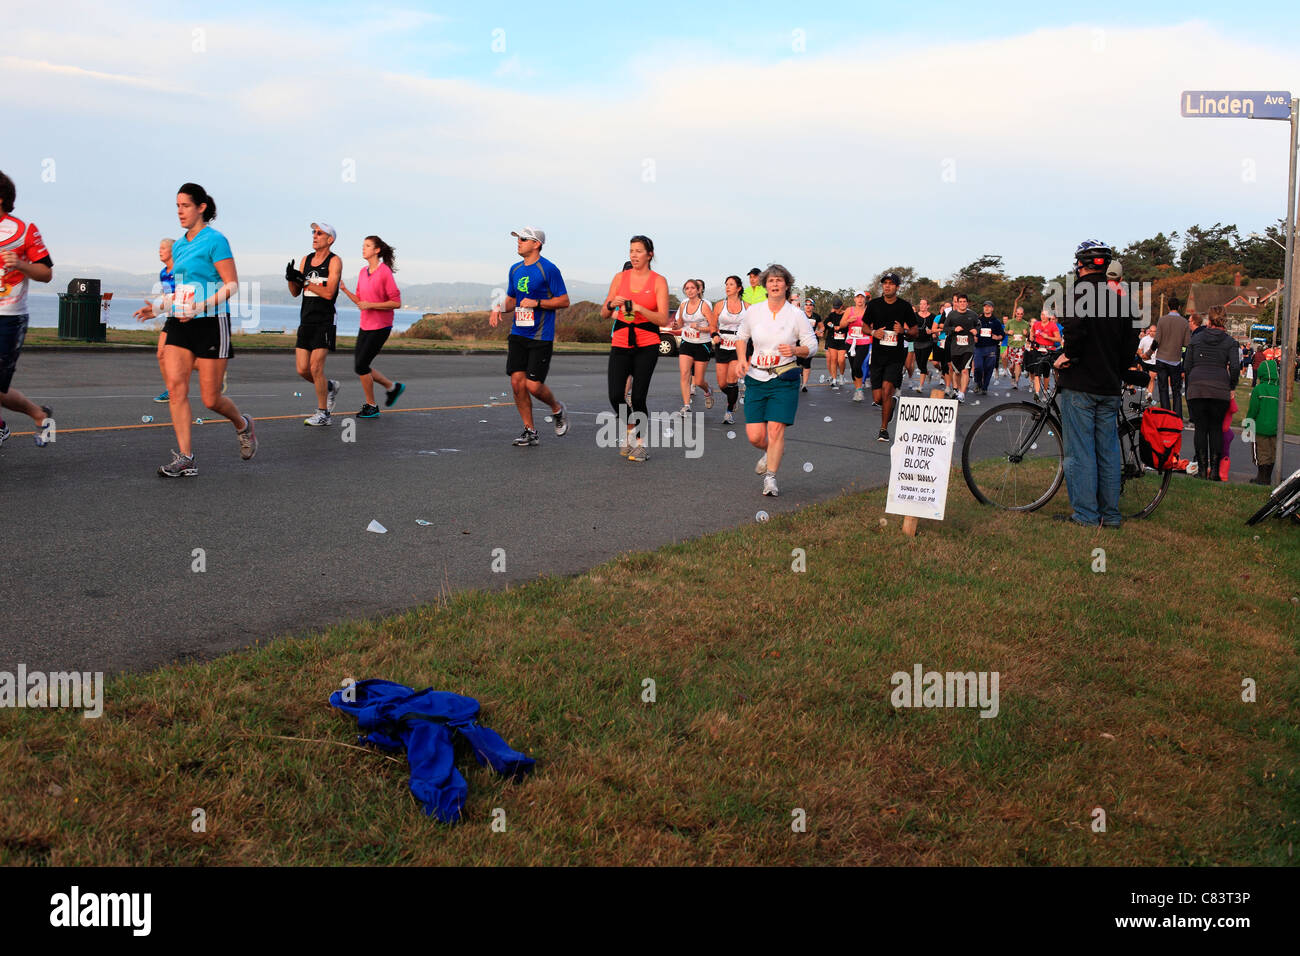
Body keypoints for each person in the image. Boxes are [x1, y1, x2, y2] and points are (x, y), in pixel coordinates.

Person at [132, 182, 257, 476]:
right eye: (177, 206)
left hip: (212, 322)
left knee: (211, 399)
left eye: (185, 205)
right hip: (180, 320)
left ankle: (243, 424)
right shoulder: (178, 245)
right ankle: (186, 457)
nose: (180, 211)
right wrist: (158, 308)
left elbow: (232, 285)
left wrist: (201, 306)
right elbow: (180, 288)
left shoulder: (216, 240)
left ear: (201, 207)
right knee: (176, 388)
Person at [1052, 240, 1137, 527]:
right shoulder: (1121, 301)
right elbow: (1130, 347)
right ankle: (1110, 515)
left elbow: (1074, 328)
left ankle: (1086, 515)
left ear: (1080, 265)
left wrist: (1068, 355)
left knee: (1080, 452)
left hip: (1081, 384)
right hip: (1110, 386)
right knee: (1109, 452)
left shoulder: (1080, 293)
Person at [735, 264, 817, 496]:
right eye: (771, 281)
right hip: (756, 377)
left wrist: (795, 350)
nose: (774, 284)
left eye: (779, 281)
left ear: (787, 284)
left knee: (776, 428)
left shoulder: (796, 314)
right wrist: (742, 359)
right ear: (765, 285)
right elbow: (742, 337)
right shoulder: (754, 311)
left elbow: (811, 346)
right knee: (755, 436)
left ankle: (770, 478)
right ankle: (773, 451)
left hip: (783, 377)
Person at [488, 227, 570, 446]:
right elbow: (513, 299)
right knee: (517, 383)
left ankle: (557, 409)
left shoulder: (548, 269)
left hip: (540, 335)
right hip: (518, 332)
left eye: (523, 239)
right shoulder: (515, 269)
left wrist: (538, 303)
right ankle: (530, 430)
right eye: (518, 239)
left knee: (533, 386)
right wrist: (497, 308)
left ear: (536, 244)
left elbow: (563, 301)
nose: (519, 242)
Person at [0, 170, 55, 448]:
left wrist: (20, 264)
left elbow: (46, 273)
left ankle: (35, 415)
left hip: (8, 318)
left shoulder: (23, 231)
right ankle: (38, 414)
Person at [602, 235, 667, 461]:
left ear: (649, 254)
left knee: (638, 397)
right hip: (621, 339)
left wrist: (640, 308)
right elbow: (603, 312)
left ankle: (640, 444)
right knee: (615, 395)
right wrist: (613, 304)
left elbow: (662, 319)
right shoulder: (620, 277)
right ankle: (631, 429)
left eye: (639, 251)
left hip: (647, 341)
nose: (634, 254)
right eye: (631, 250)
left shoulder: (658, 281)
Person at [338, 235, 404, 418]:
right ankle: (393, 387)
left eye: (367, 246)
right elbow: (361, 302)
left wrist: (371, 305)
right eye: (363, 245)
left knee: (361, 365)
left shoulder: (384, 272)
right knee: (361, 366)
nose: (363, 248)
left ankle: (372, 405)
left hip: (381, 326)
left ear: (377, 250)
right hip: (365, 324)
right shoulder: (362, 272)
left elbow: (396, 303)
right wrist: (344, 290)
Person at [287, 222, 342, 426]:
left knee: (316, 367)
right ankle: (329, 386)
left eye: (320, 233)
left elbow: (329, 293)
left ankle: (323, 413)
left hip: (325, 319)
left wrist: (307, 281)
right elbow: (295, 292)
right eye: (313, 232)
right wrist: (291, 279)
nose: (315, 235)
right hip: (306, 318)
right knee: (303, 369)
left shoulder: (334, 261)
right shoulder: (306, 259)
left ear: (330, 239)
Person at [1184, 305, 1240, 482]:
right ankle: (1214, 471)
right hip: (1219, 387)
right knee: (1216, 428)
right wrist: (1232, 386)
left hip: (1197, 386)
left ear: (1208, 319)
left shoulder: (1196, 339)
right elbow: (1236, 367)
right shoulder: (1230, 342)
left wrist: (1189, 386)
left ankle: (1201, 469)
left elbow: (1187, 365)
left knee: (1200, 428)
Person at [866, 273, 917, 441]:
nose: (887, 286)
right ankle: (892, 404)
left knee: (887, 390)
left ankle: (883, 429)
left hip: (895, 357)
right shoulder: (874, 305)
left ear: (897, 287)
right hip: (878, 356)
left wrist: (904, 331)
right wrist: (874, 332)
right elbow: (864, 326)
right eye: (885, 283)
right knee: (878, 398)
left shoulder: (904, 306)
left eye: (891, 284)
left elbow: (915, 331)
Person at [671, 279, 715, 415]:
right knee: (685, 374)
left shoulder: (704, 306)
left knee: (699, 380)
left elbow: (713, 327)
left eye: (692, 288)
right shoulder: (683, 304)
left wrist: (700, 328)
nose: (689, 290)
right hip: (686, 343)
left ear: (698, 290)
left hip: (702, 344)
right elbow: (680, 323)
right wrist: (676, 326)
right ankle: (686, 405)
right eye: (687, 288)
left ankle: (708, 391)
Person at [712, 275, 745, 424]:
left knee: (732, 381)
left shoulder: (747, 306)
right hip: (722, 345)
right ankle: (733, 397)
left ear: (738, 288)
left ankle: (729, 412)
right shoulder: (719, 305)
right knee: (722, 384)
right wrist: (714, 334)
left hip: (738, 346)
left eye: (731, 284)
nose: (727, 287)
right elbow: (713, 324)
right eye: (726, 284)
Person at [1247, 348, 1280, 485]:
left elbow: (1253, 409)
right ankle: (1268, 477)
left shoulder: (1258, 389)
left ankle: (1261, 477)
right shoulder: (1279, 390)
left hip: (1260, 427)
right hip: (1275, 427)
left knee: (1260, 452)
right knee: (1272, 452)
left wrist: (1248, 424)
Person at [152, 238, 176, 403]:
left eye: (163, 248)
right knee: (161, 353)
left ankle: (212, 368)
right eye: (159, 248)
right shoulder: (163, 273)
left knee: (184, 359)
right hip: (171, 318)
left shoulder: (182, 271)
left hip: (186, 317)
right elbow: (167, 298)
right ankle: (171, 390)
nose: (159, 251)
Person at [943, 293, 977, 402]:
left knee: (965, 371)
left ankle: (962, 394)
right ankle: (956, 389)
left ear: (967, 303)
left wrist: (977, 330)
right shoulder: (952, 315)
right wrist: (954, 329)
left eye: (964, 302)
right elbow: (945, 329)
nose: (962, 304)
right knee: (957, 372)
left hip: (968, 347)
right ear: (957, 303)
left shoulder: (973, 315)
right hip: (955, 347)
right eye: (960, 302)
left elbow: (978, 325)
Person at [1026, 308, 1063, 401]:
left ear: (1049, 316)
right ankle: (1037, 393)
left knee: (1046, 373)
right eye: (1042, 314)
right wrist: (1031, 336)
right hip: (1038, 349)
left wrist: (1048, 337)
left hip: (1049, 350)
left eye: (1045, 315)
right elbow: (1032, 331)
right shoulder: (1036, 324)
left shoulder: (1053, 326)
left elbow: (1058, 339)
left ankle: (1045, 392)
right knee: (1037, 371)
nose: (1043, 317)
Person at [842, 291, 872, 401]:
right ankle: (858, 389)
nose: (860, 299)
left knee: (857, 365)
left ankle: (859, 390)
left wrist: (867, 325)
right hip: (850, 342)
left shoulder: (868, 311)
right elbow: (841, 324)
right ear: (854, 299)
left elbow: (872, 326)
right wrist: (848, 321)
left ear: (865, 299)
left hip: (863, 342)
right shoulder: (850, 310)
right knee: (853, 368)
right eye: (857, 297)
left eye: (862, 297)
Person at [972, 299, 1004, 394]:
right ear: (983, 308)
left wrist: (997, 337)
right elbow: (972, 330)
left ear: (992, 309)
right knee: (978, 367)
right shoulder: (978, 320)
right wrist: (974, 336)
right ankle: (978, 383)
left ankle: (985, 387)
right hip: (979, 348)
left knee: (988, 368)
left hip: (991, 348)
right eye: (985, 306)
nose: (986, 308)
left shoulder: (996, 322)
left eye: (989, 307)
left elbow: (1002, 335)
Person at [908, 297, 935, 392]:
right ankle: (928, 372)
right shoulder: (914, 315)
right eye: (921, 304)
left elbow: (936, 329)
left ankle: (921, 386)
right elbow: (910, 326)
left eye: (924, 304)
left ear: (928, 306)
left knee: (923, 362)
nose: (922, 306)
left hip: (927, 342)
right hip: (916, 342)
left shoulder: (932, 317)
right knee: (919, 364)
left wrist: (932, 331)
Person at [823, 296, 848, 387]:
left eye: (838, 308)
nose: (836, 310)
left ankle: (841, 375)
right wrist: (833, 326)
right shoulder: (832, 315)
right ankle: (834, 379)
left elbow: (848, 324)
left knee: (841, 360)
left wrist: (841, 327)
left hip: (842, 341)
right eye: (835, 308)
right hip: (832, 340)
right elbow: (826, 323)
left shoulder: (846, 315)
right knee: (833, 359)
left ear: (842, 306)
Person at [1004, 305, 1030, 390]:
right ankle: (1013, 375)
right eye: (1018, 314)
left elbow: (1029, 335)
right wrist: (1008, 332)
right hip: (1011, 346)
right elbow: (1004, 331)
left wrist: (1026, 334)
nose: (1019, 316)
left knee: (1018, 363)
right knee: (1011, 366)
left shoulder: (1025, 323)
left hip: (1021, 346)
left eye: (1021, 314)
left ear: (1023, 314)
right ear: (1015, 313)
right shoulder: (1010, 322)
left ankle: (1016, 381)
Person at [800, 297, 819, 392]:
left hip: (810, 342)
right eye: (806, 304)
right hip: (799, 342)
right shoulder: (800, 315)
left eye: (810, 304)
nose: (808, 306)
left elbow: (822, 327)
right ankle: (800, 373)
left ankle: (804, 385)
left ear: (813, 307)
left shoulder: (816, 316)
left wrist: (820, 331)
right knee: (798, 363)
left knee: (807, 363)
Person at [1137, 321, 1158, 401]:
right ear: (1149, 331)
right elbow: (1139, 349)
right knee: (1147, 379)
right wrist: (1141, 355)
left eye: (1154, 331)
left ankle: (1150, 394)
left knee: (1152, 378)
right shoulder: (1145, 339)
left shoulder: (1159, 340)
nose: (1152, 333)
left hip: (1154, 362)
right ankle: (1147, 390)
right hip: (1145, 362)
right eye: (1151, 331)